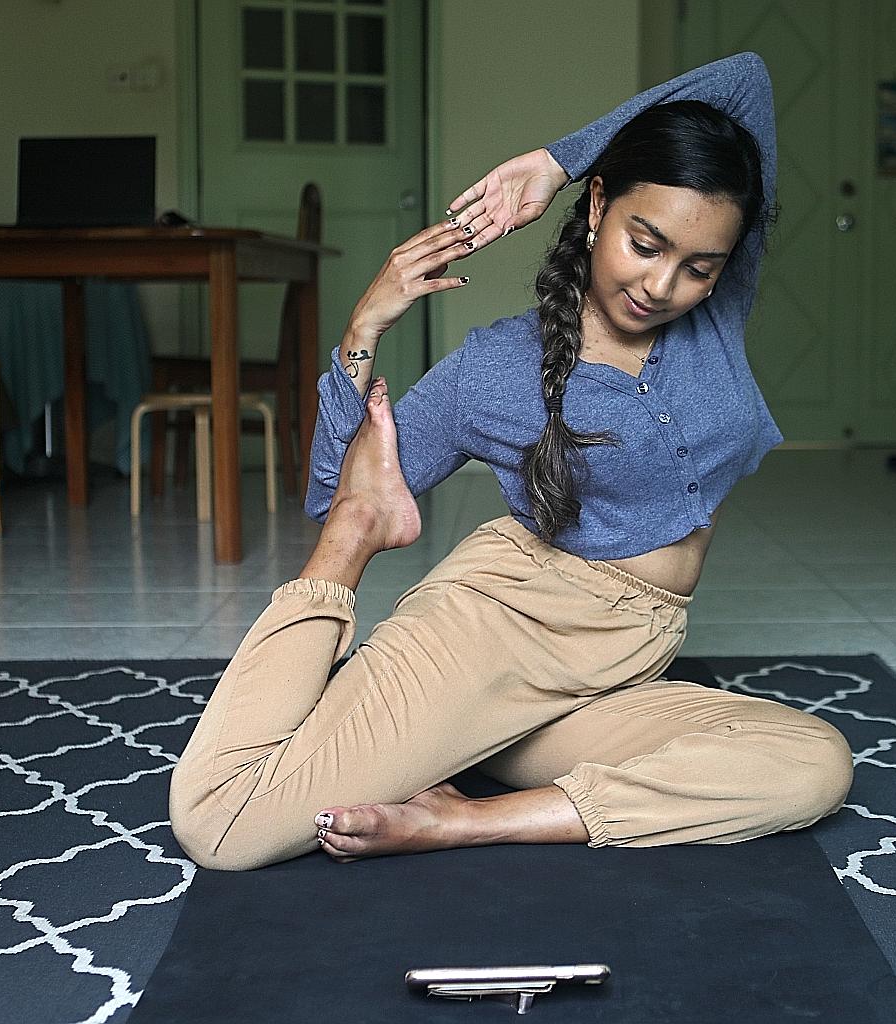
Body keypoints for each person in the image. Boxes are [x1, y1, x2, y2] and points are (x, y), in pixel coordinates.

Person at [169, 52, 854, 871]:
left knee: (814, 763)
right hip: (495, 630)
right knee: (223, 825)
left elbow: (744, 79)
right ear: (600, 207)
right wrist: (362, 332)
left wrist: (553, 160)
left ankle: (463, 817)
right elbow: (332, 487)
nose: (662, 283)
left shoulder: (716, 313)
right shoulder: (496, 370)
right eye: (646, 243)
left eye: (697, 268)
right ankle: (380, 657)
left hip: (614, 666)